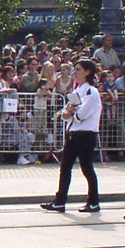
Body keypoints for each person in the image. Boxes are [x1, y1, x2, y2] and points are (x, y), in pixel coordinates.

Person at [42, 59, 101, 213]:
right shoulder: (77, 91)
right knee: (65, 166)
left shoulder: (91, 92)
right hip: (73, 132)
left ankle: (93, 201)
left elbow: (82, 114)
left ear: (88, 72)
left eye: (79, 70)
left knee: (87, 167)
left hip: (86, 134)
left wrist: (71, 111)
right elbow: (66, 113)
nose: (75, 73)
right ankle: (60, 201)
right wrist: (69, 112)